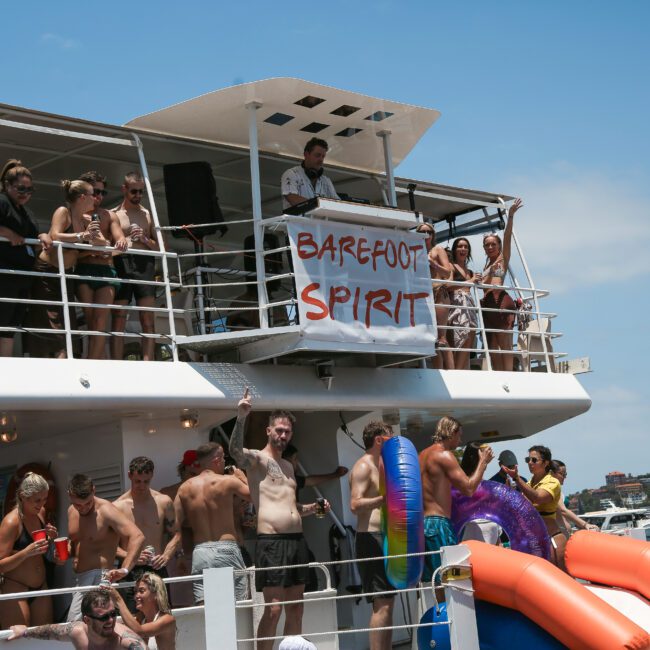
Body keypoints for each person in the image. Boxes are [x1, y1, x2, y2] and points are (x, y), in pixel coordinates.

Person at [229, 388, 330, 650]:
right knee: (273, 610)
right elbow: (235, 452)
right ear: (269, 431)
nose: (283, 435)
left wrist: (317, 508)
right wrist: (241, 416)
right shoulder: (257, 459)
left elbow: (293, 507)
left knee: (296, 608)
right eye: (279, 430)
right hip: (271, 543)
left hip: (297, 541)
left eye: (287, 431)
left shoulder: (288, 467)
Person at [24, 180, 96, 359]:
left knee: (66, 323)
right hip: (47, 273)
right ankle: (48, 361)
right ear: (82, 197)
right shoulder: (63, 211)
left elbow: (98, 242)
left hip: (66, 276)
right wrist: (82, 236)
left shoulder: (85, 219)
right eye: (93, 194)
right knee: (48, 320)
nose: (96, 198)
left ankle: (62, 360)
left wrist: (96, 240)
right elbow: (55, 235)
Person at [172, 442, 251, 604]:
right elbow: (253, 496)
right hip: (226, 548)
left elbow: (174, 524)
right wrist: (242, 476)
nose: (224, 462)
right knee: (237, 604)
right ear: (216, 460)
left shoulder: (185, 488)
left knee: (206, 606)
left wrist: (179, 554)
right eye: (223, 458)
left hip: (201, 552)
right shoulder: (227, 481)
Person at [419, 416, 493, 582]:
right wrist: (483, 462)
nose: (460, 440)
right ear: (452, 433)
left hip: (422, 524)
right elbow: (468, 488)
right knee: (454, 578)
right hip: (439, 525)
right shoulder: (444, 455)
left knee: (436, 581)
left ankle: (440, 609)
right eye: (459, 435)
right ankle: (451, 609)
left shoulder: (421, 455)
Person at [66, 474, 145, 621]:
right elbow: (77, 544)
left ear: (94, 491)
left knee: (76, 624)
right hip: (79, 579)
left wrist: (125, 569)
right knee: (83, 628)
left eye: (88, 503)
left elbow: (137, 535)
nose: (83, 508)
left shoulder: (106, 510)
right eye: (78, 505)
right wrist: (62, 554)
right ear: (69, 496)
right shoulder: (71, 511)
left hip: (99, 576)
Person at [349, 421, 395, 650]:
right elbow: (354, 504)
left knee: (388, 603)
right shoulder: (364, 466)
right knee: (381, 604)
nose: (394, 442)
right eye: (390, 438)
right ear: (379, 440)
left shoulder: (383, 465)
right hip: (370, 538)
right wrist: (381, 499)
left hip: (385, 537)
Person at [0, 159, 52, 356]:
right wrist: (7, 232)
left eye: (30, 190)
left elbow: (31, 234)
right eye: (21, 189)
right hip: (4, 274)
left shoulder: (27, 212)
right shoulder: (2, 202)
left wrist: (42, 236)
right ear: (7, 186)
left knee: (11, 327)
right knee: (2, 322)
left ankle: (5, 365)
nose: (26, 194)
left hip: (21, 277)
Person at [113, 457, 177, 613]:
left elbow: (176, 534)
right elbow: (109, 547)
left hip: (157, 568)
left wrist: (167, 555)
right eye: (137, 481)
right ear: (129, 476)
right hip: (130, 570)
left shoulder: (163, 502)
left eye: (146, 481)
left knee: (163, 614)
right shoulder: (117, 507)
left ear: (152, 477)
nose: (141, 486)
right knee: (132, 618)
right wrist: (130, 555)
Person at [76, 171, 128, 359]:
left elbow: (120, 239)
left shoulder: (109, 215)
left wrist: (120, 243)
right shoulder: (75, 214)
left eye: (102, 193)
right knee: (91, 321)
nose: (99, 196)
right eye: (95, 192)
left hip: (107, 270)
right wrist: (91, 251)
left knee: (99, 321)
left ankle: (92, 366)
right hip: (83, 268)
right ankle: (96, 362)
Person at [111, 172, 159, 361]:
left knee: (147, 319)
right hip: (122, 262)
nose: (138, 195)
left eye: (141, 192)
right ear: (124, 189)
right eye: (134, 191)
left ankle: (149, 362)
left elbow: (162, 246)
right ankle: (116, 362)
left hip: (144, 263)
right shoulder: (114, 214)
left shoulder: (148, 214)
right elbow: (108, 244)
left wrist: (145, 239)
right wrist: (123, 241)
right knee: (119, 317)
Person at [0, 472, 58, 628]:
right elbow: (1, 565)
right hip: (15, 589)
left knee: (44, 639)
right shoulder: (11, 522)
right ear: (22, 496)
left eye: (44, 499)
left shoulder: (41, 513)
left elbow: (43, 548)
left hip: (40, 587)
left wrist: (50, 536)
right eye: (37, 500)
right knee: (19, 643)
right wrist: (26, 552)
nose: (41, 504)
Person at [7, 589, 146, 649]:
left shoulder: (125, 641)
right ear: (87, 620)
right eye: (104, 617)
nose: (110, 620)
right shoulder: (77, 632)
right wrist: (25, 632)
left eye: (112, 614)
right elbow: (51, 631)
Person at [501, 445, 567, 569]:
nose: (530, 463)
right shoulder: (529, 484)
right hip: (534, 541)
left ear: (546, 463)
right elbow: (519, 506)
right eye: (528, 460)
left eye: (534, 460)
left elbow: (537, 497)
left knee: (560, 579)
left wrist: (516, 478)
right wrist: (509, 491)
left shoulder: (553, 482)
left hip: (551, 539)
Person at [480, 198, 523, 371]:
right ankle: (499, 375)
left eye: (493, 244)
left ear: (498, 246)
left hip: (501, 302)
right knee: (491, 346)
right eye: (487, 244)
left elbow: (507, 239)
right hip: (487, 305)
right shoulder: (485, 266)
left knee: (504, 344)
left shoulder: (501, 259)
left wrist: (510, 216)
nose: (490, 247)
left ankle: (509, 374)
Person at [159, 450, 200, 608]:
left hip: (199, 553)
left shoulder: (203, 491)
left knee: (199, 601)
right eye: (191, 472)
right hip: (175, 555)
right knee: (177, 603)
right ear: (183, 470)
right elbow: (167, 528)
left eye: (197, 473)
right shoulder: (168, 493)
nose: (194, 476)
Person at [416, 222, 454, 369]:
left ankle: (451, 373)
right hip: (423, 296)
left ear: (433, 235)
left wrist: (433, 263)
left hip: (438, 293)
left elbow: (447, 273)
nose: (426, 234)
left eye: (429, 232)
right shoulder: (416, 252)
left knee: (441, 337)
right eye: (422, 232)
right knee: (431, 337)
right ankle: (437, 370)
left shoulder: (437, 250)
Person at [111, 572, 176, 650]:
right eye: (135, 592)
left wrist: (119, 600)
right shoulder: (140, 618)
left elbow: (140, 632)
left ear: (156, 594)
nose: (136, 596)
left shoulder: (168, 620)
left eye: (141, 591)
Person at [447, 237, 481, 370]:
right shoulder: (451, 267)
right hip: (456, 304)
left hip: (469, 306)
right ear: (455, 250)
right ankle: (456, 370)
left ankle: (461, 369)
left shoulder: (470, 272)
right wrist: (470, 281)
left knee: (468, 340)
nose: (463, 249)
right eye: (460, 246)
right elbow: (448, 287)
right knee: (457, 340)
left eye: (466, 247)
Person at [281, 138, 339, 210]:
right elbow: (293, 198)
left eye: (323, 156)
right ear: (306, 154)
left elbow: (338, 205)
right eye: (317, 155)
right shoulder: (291, 174)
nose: (321, 160)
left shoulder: (326, 181)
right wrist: (320, 205)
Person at [550, 460, 598, 535]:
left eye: (565, 474)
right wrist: (585, 525)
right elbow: (563, 510)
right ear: (552, 473)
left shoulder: (556, 489)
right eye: (562, 474)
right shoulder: (551, 488)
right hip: (557, 534)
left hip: (562, 533)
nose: (564, 477)